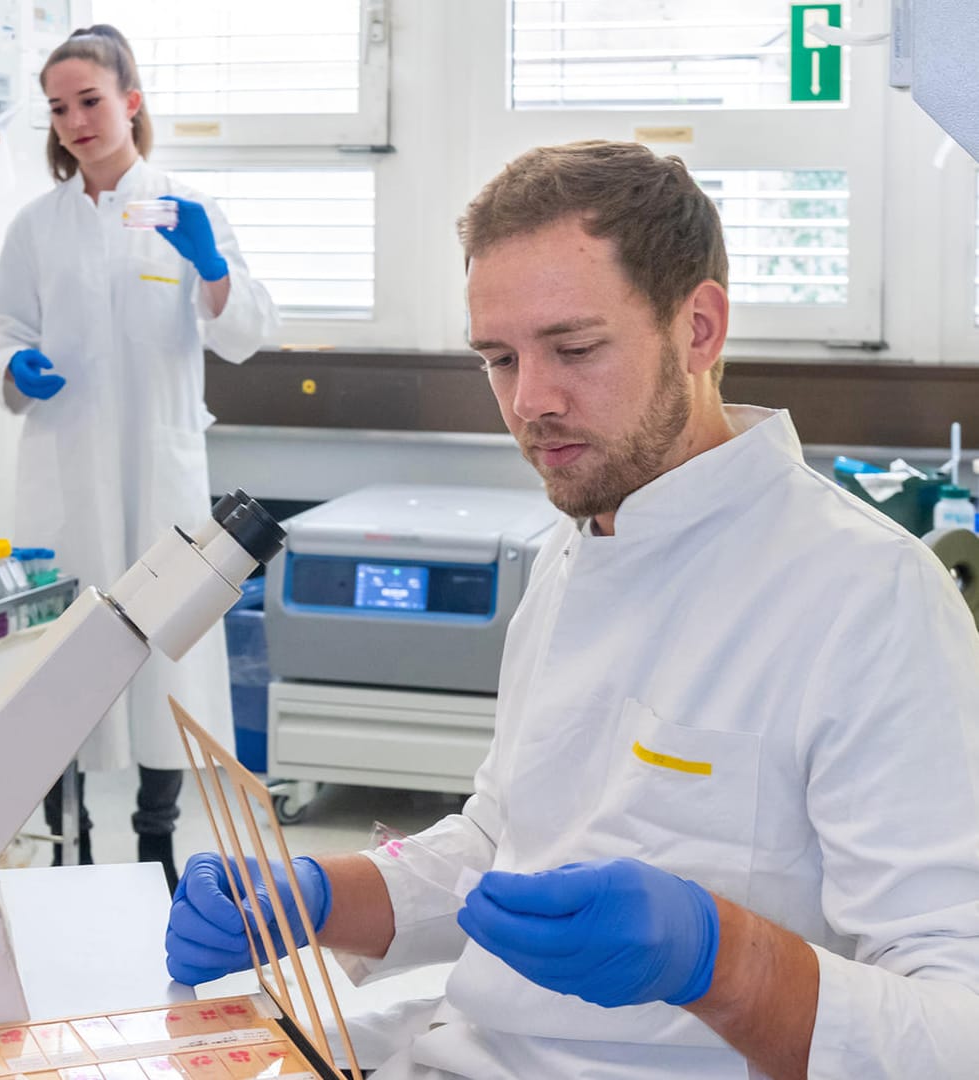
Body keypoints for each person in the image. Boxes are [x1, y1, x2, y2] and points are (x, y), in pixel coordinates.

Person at [164, 140, 979, 1078]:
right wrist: (312, 897)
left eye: (576, 348)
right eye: (500, 359)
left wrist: (720, 960)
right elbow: (501, 844)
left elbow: (954, 1026)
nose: (530, 402)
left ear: (699, 329)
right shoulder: (577, 544)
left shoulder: (866, 595)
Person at [0, 25, 278, 888]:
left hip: (161, 476)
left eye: (92, 101)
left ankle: (158, 841)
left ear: (131, 102)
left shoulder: (185, 207)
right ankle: (63, 844)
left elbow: (247, 334)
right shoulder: (37, 226)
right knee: (63, 656)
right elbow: (0, 332)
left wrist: (211, 266)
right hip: (64, 474)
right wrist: (12, 367)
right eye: (60, 108)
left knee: (165, 654)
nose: (76, 120)